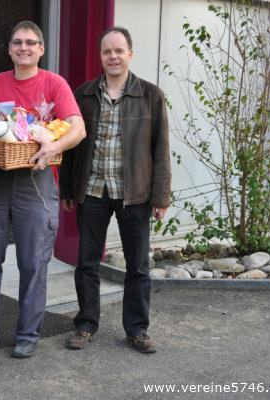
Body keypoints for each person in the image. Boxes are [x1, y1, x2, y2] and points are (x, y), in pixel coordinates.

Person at [0, 20, 85, 358]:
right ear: (10, 49)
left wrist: (55, 147)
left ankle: (28, 333)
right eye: (18, 42)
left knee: (33, 262)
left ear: (41, 49)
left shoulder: (54, 83)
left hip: (36, 181)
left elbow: (78, 128)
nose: (24, 48)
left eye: (31, 43)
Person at [60, 27, 171, 353]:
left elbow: (160, 149)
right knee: (87, 263)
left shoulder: (150, 95)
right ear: (101, 56)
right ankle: (85, 324)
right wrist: (67, 188)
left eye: (119, 51)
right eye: (107, 51)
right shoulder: (83, 94)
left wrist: (160, 196)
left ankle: (137, 329)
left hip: (134, 194)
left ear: (130, 54)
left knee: (137, 267)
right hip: (92, 191)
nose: (113, 56)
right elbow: (71, 148)